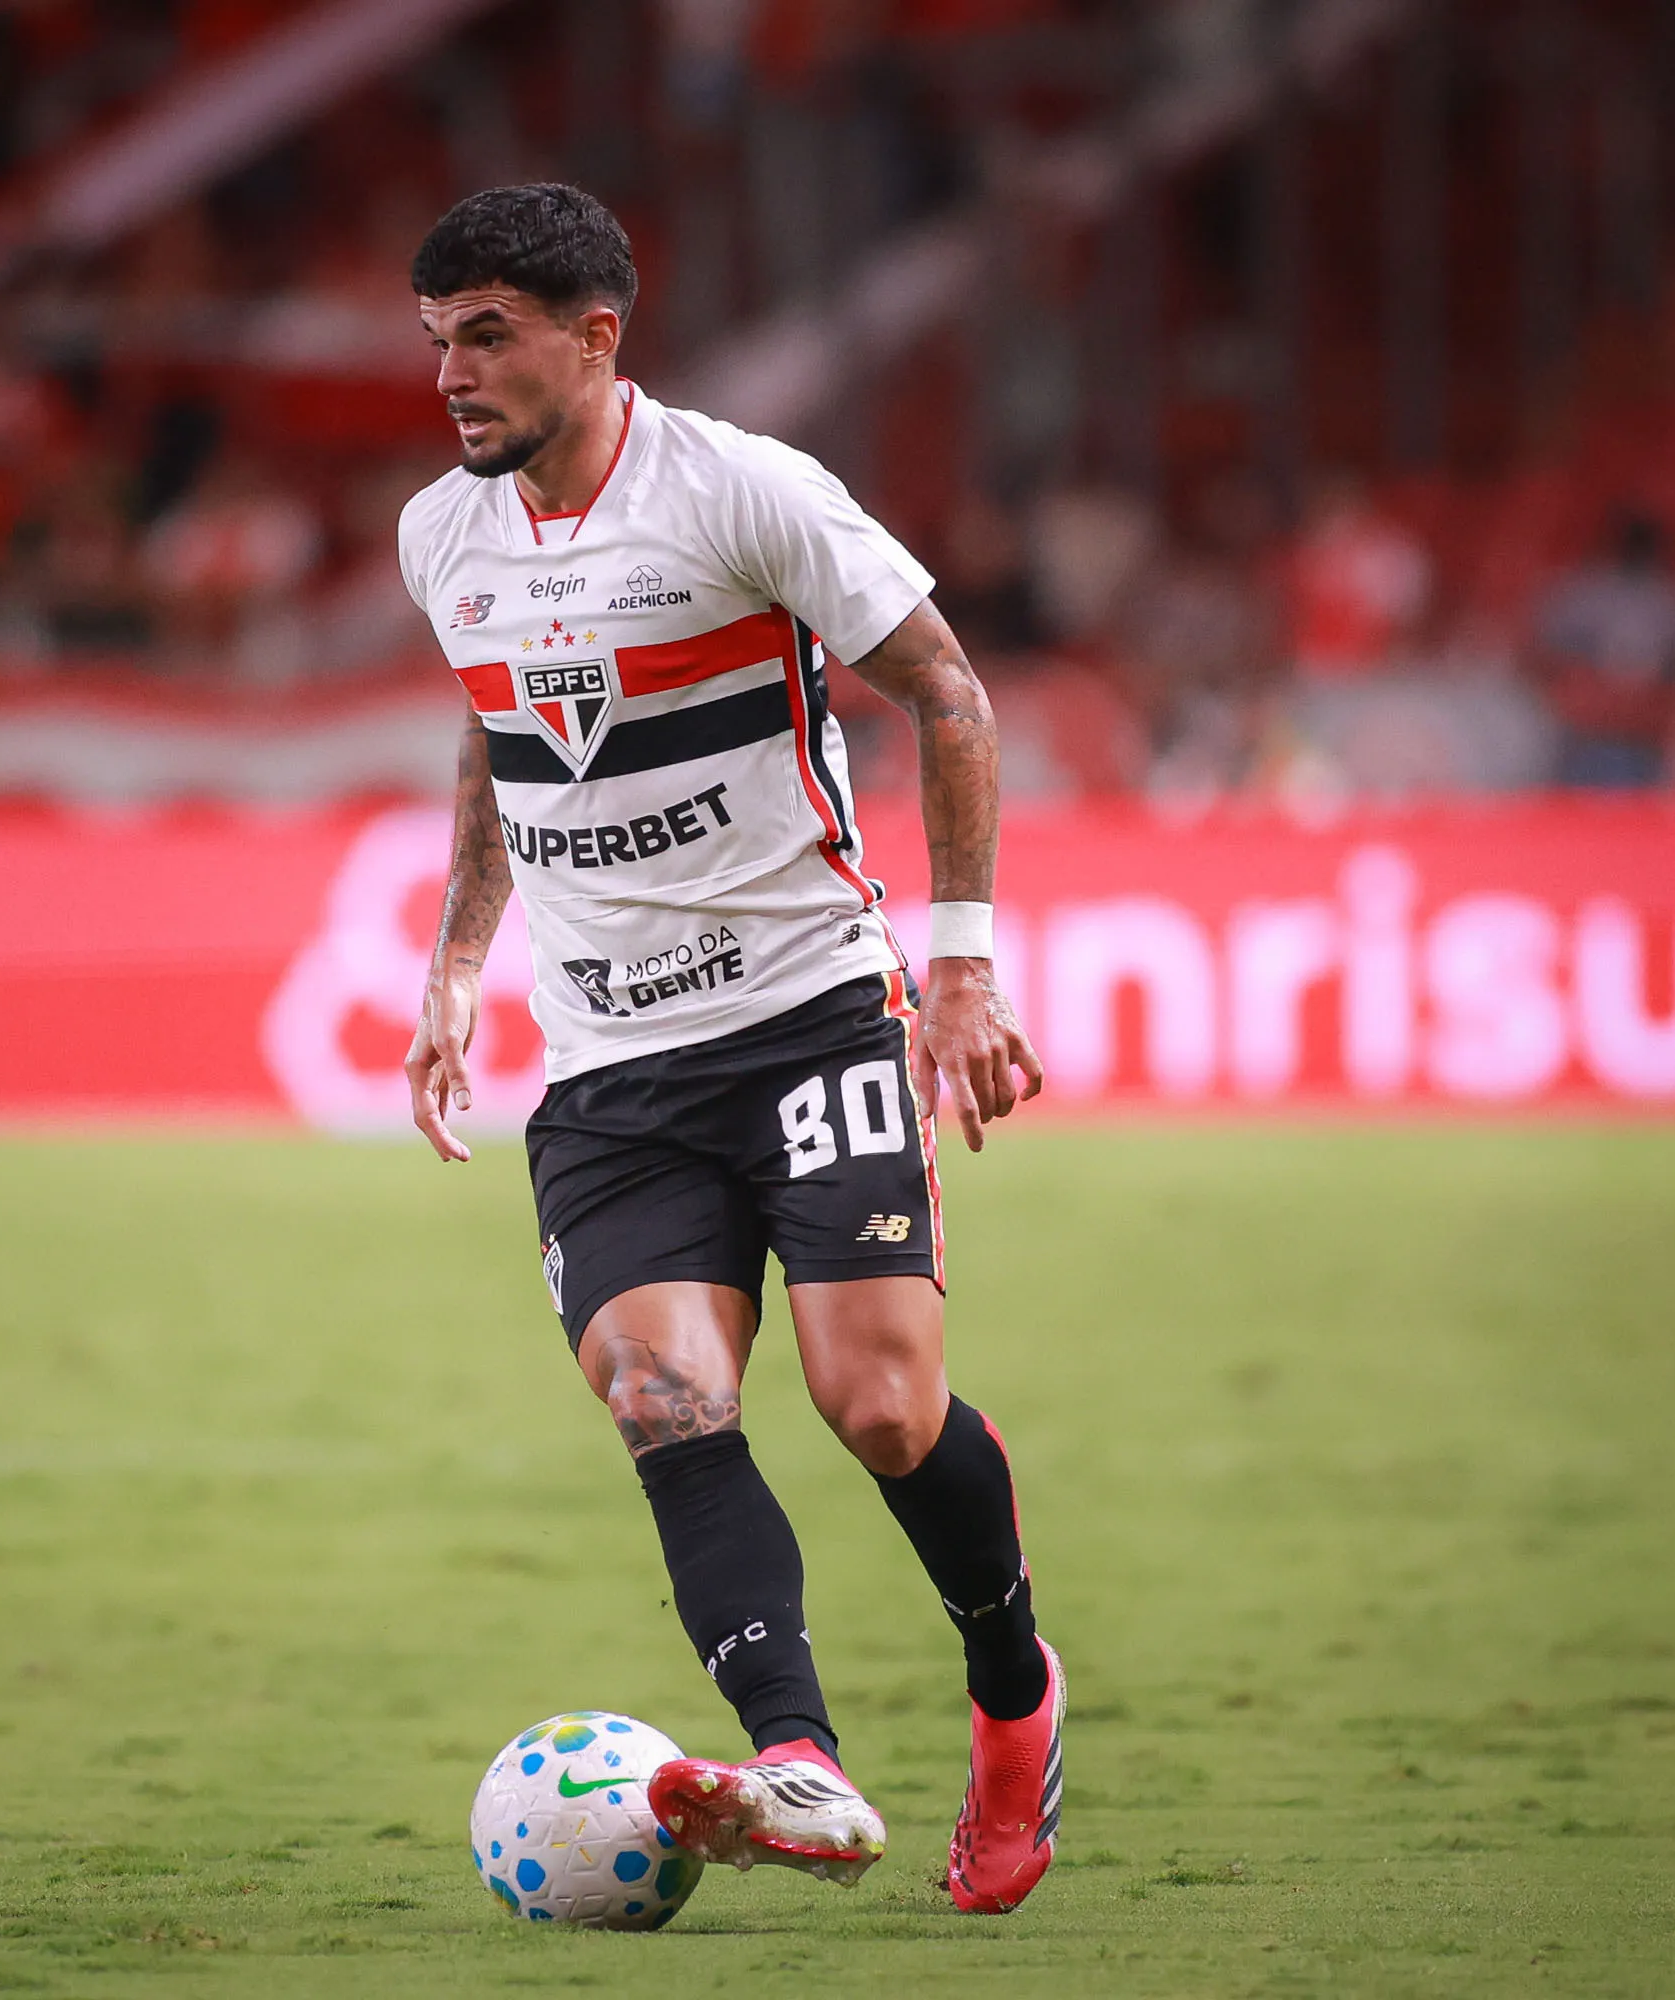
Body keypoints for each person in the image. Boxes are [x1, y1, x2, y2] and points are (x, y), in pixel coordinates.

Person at [394, 184, 1062, 1915]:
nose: (450, 375)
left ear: (595, 337)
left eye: (486, 337)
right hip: (614, 1072)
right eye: (437, 340)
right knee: (662, 1396)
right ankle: (800, 1764)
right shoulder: (442, 535)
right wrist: (459, 962)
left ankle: (1013, 1698)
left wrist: (963, 968)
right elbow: (494, 731)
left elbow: (951, 695)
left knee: (881, 1409)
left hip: (809, 1015)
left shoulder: (744, 492)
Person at [1532, 507, 1675, 789]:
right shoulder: (1581, 592)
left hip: (1645, 745)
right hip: (1583, 742)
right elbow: (1555, 676)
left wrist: (1637, 708)